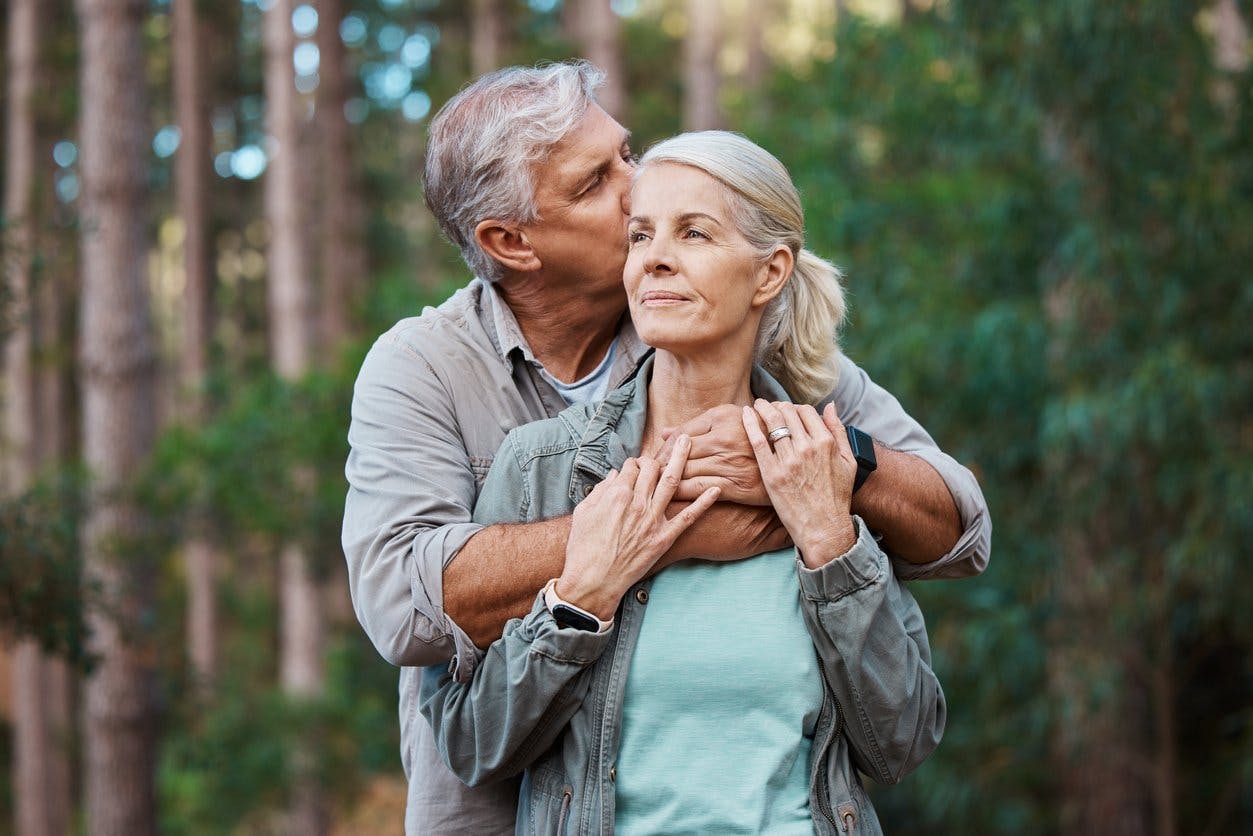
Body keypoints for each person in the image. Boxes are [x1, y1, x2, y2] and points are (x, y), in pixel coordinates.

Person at [342, 61, 989, 834]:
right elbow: (400, 605)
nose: (636, 183)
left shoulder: (748, 343)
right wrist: (661, 532)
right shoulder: (423, 368)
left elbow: (959, 534)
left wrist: (837, 468)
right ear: (510, 241)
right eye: (595, 184)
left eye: (626, 152)